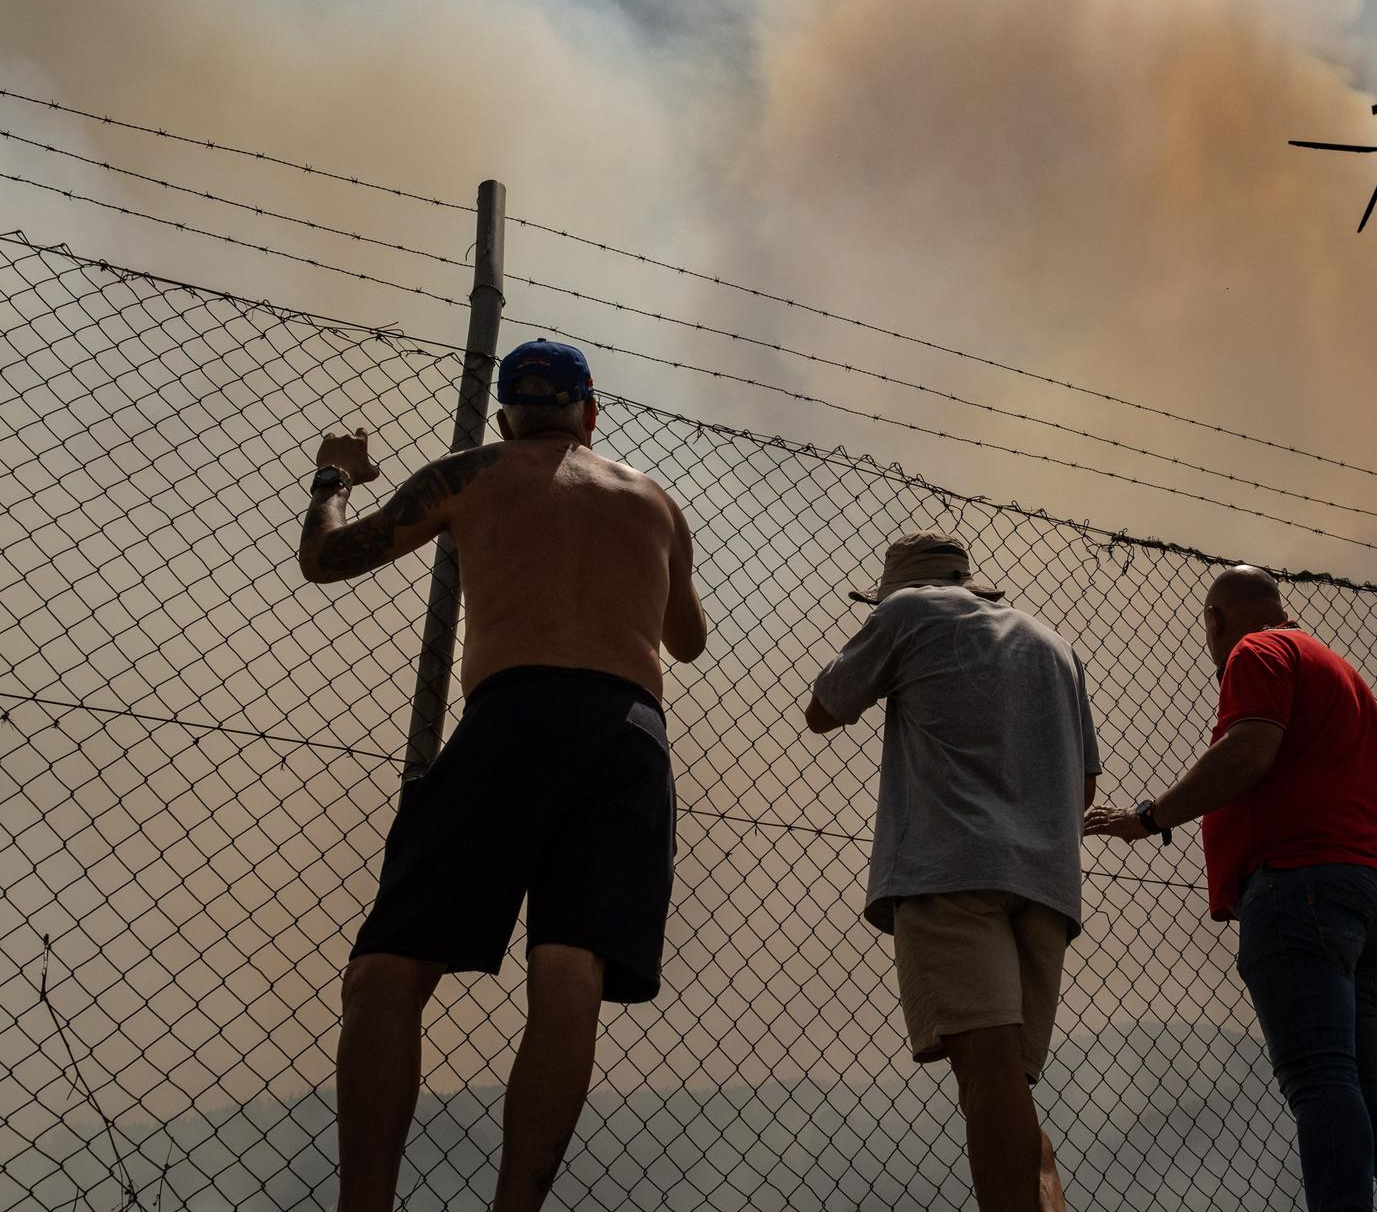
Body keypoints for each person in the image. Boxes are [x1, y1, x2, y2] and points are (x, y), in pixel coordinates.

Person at [296, 338, 706, 1212]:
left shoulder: (471, 472)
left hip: (513, 716)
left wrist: (331, 479)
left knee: (389, 968)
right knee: (568, 972)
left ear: (504, 414)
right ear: (591, 414)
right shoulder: (655, 499)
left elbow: (326, 561)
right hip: (631, 733)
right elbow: (689, 639)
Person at [1084, 565, 1377, 1212]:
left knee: (1322, 1083)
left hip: (1301, 895)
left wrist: (1146, 817)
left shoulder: (1257, 650)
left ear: (1215, 619)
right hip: (1370, 895)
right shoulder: (1344, 675)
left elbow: (1248, 753)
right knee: (1370, 1106)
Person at [803, 533, 1099, 1212]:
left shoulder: (905, 615)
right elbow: (1083, 787)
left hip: (951, 869)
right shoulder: (1052, 644)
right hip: (1046, 884)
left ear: (899, 588)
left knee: (985, 1073)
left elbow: (823, 709)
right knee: (1004, 1082)